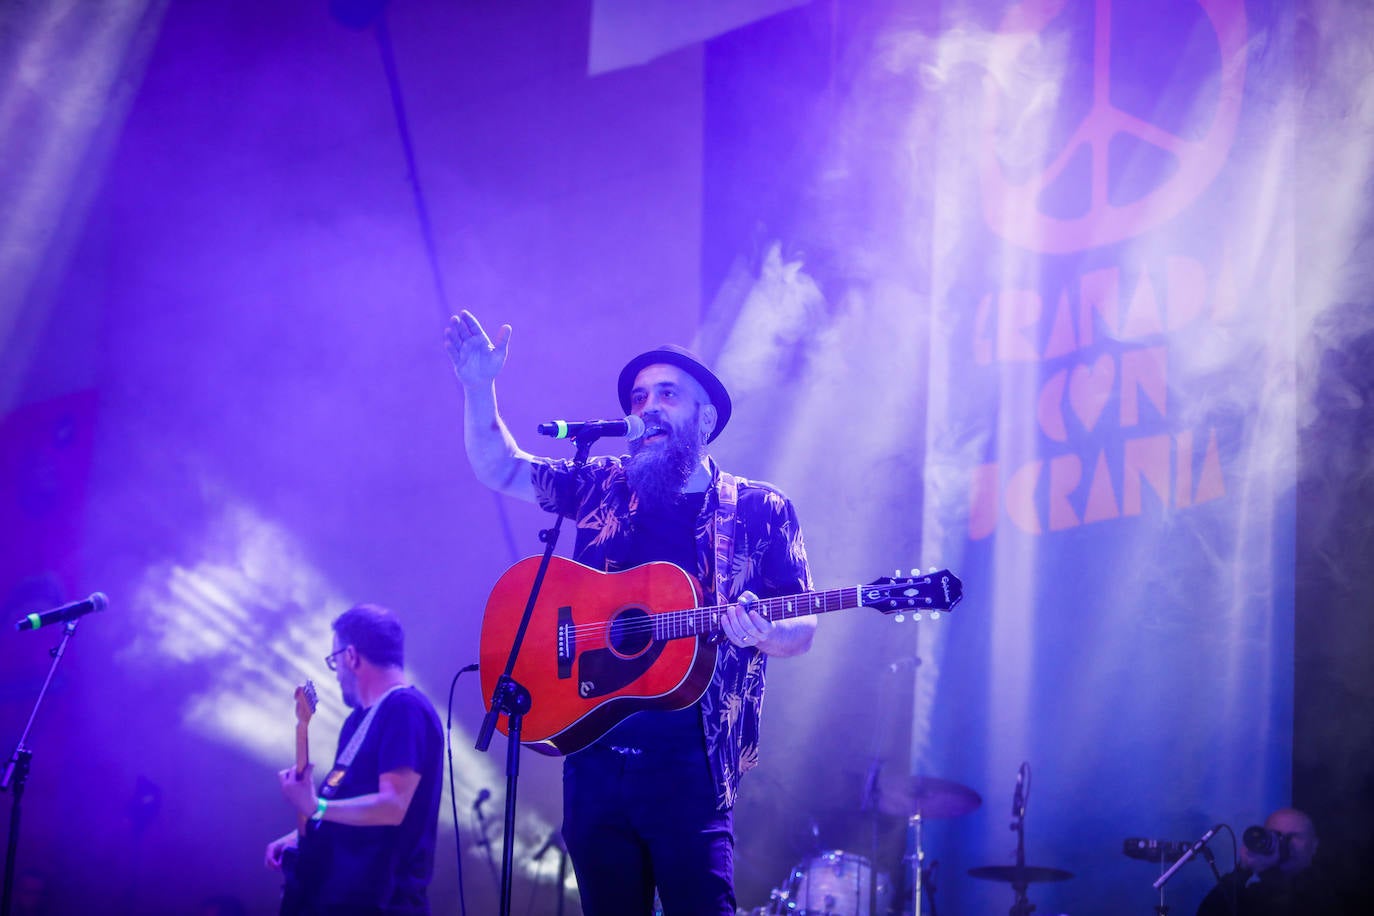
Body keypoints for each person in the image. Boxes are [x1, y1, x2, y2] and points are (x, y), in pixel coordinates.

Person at [444, 310, 817, 916]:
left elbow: (804, 624)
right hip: (593, 759)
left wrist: (767, 630)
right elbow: (501, 466)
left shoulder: (759, 508)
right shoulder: (599, 484)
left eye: (667, 394)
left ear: (706, 417)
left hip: (693, 766)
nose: (647, 407)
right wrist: (478, 386)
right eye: (639, 397)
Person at [265, 604, 444, 916]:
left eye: (334, 661)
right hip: (341, 898)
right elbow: (351, 804)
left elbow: (392, 806)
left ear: (351, 656)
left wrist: (315, 807)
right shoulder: (356, 721)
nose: (336, 676)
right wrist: (301, 836)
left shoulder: (405, 709)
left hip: (383, 902)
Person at [1195, 807, 1345, 915]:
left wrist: (1268, 873)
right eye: (1276, 836)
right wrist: (1243, 869)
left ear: (1314, 845)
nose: (1284, 844)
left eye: (1292, 837)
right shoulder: (1254, 894)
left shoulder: (1333, 889)